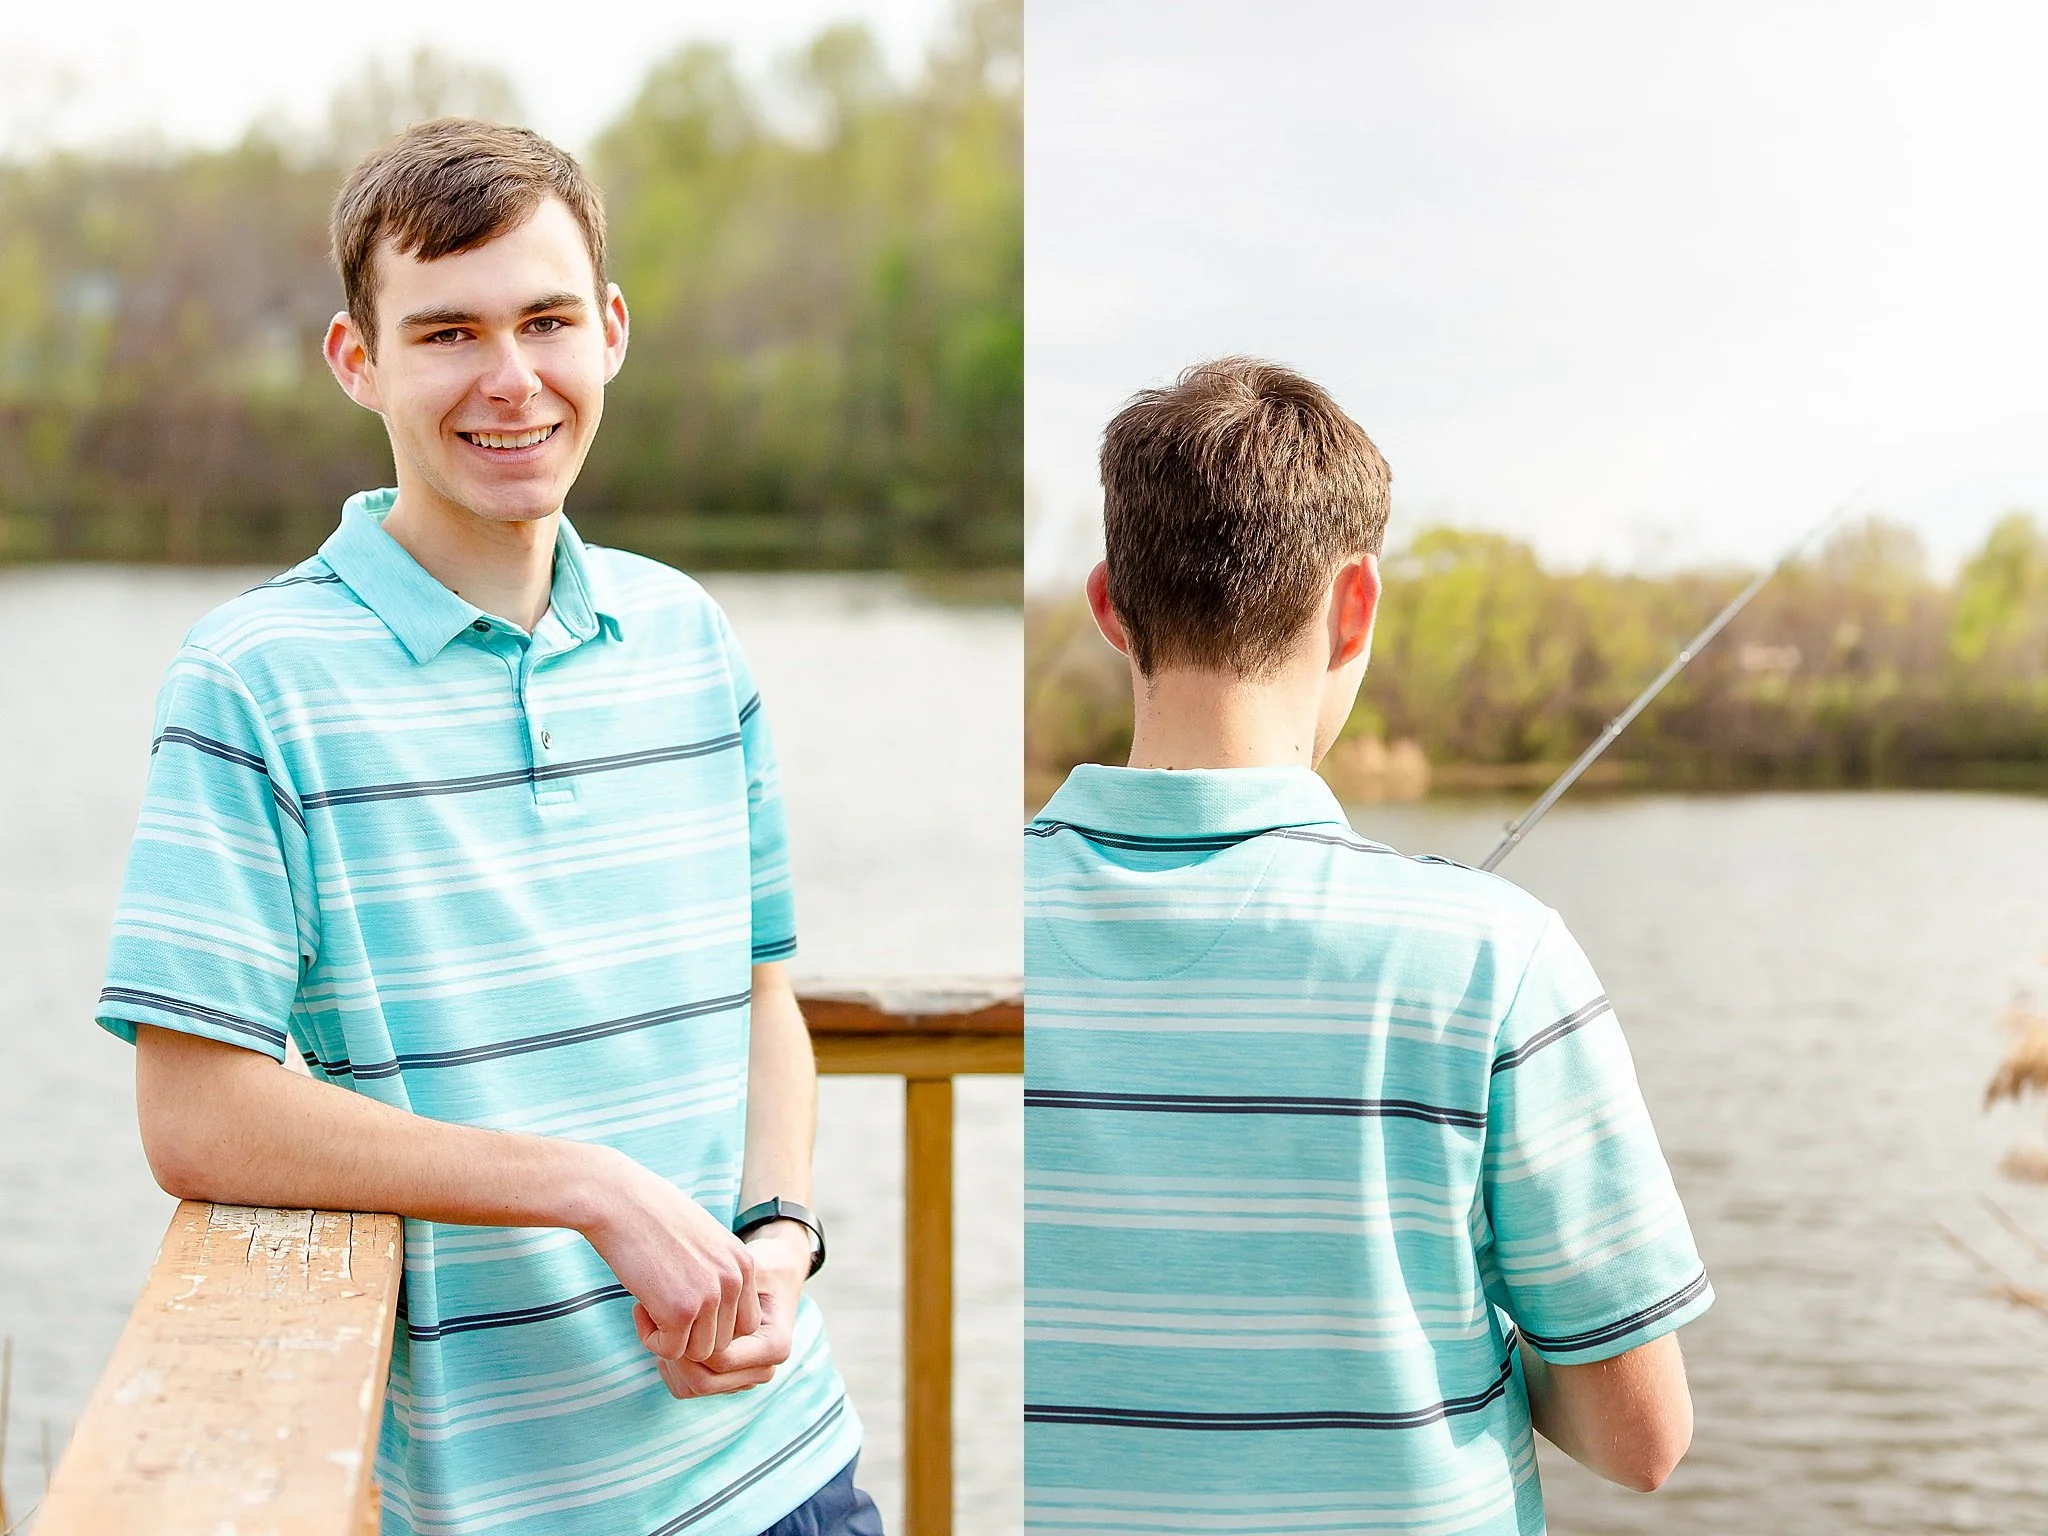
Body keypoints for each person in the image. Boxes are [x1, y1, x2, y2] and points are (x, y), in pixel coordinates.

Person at [97, 118, 879, 1536]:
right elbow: (196, 1109)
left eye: (547, 320)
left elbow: (763, 988)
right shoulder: (252, 681)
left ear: (614, 332)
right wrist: (584, 1188)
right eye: (448, 331)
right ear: (360, 361)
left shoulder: (690, 638)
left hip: (789, 1468)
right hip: (509, 1508)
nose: (510, 381)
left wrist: (780, 1230)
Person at [1023, 357, 1710, 1534]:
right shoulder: (1495, 958)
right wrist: (1459, 1304)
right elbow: (1638, 1438)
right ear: (1355, 606)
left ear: (1107, 604)